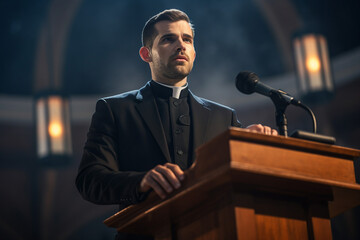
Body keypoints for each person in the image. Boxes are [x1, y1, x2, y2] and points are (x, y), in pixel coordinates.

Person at [76, 9, 277, 239]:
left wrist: (249, 147)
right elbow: (89, 180)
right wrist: (141, 181)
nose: (181, 45)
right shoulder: (115, 110)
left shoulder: (225, 118)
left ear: (194, 52)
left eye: (187, 39)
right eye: (168, 39)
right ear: (146, 54)